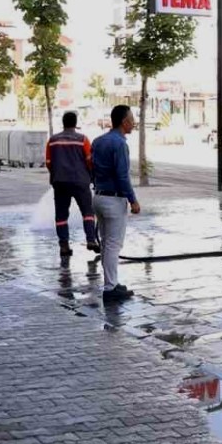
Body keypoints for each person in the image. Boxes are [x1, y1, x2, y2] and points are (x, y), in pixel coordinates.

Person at [91, 105, 140, 301]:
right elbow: (122, 176)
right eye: (131, 119)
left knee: (105, 244)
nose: (133, 122)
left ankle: (111, 282)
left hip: (99, 196)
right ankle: (110, 288)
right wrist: (133, 200)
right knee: (112, 245)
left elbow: (91, 168)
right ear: (123, 121)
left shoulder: (98, 141)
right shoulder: (119, 144)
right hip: (113, 199)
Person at [46, 111, 99, 258]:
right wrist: (91, 176)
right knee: (87, 212)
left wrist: (56, 174)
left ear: (63, 123)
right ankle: (91, 240)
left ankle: (64, 245)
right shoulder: (83, 140)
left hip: (60, 182)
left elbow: (48, 162)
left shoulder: (52, 140)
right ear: (75, 123)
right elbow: (90, 161)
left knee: (61, 215)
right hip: (80, 181)